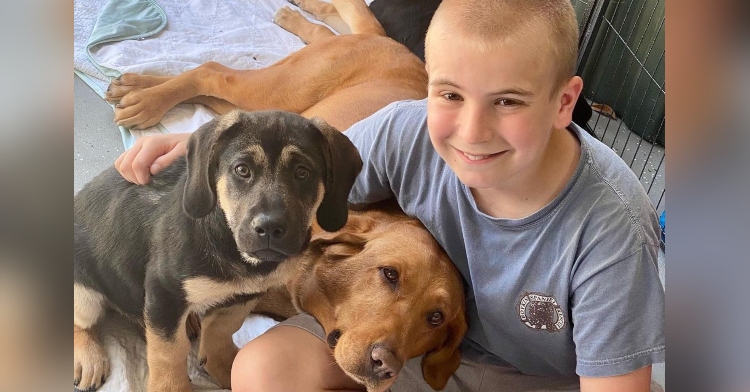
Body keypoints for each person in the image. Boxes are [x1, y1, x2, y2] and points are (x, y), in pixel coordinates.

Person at [115, 0, 665, 390]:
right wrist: (201, 146)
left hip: (528, 378)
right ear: (428, 84)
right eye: (449, 94)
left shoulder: (609, 229)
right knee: (262, 370)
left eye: (509, 102)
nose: (472, 132)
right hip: (403, 356)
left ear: (565, 103)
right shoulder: (408, 132)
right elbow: (304, 162)